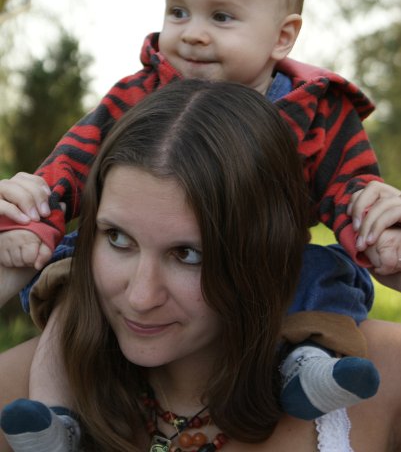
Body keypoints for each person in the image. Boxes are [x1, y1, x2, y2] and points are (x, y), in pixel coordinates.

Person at [0, 0, 395, 420]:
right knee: (69, 271)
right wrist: (33, 217)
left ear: (282, 36)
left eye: (221, 18)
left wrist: (377, 232)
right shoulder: (139, 95)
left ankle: (308, 363)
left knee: (327, 275)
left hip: (278, 268)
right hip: (78, 338)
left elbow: (351, 185)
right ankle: (55, 411)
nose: (193, 35)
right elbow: (73, 162)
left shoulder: (315, 108)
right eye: (178, 12)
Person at [1, 82, 401, 452]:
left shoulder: (383, 376)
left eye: (189, 254)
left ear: (267, 247)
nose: (141, 297)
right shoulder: (18, 391)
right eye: (118, 238)